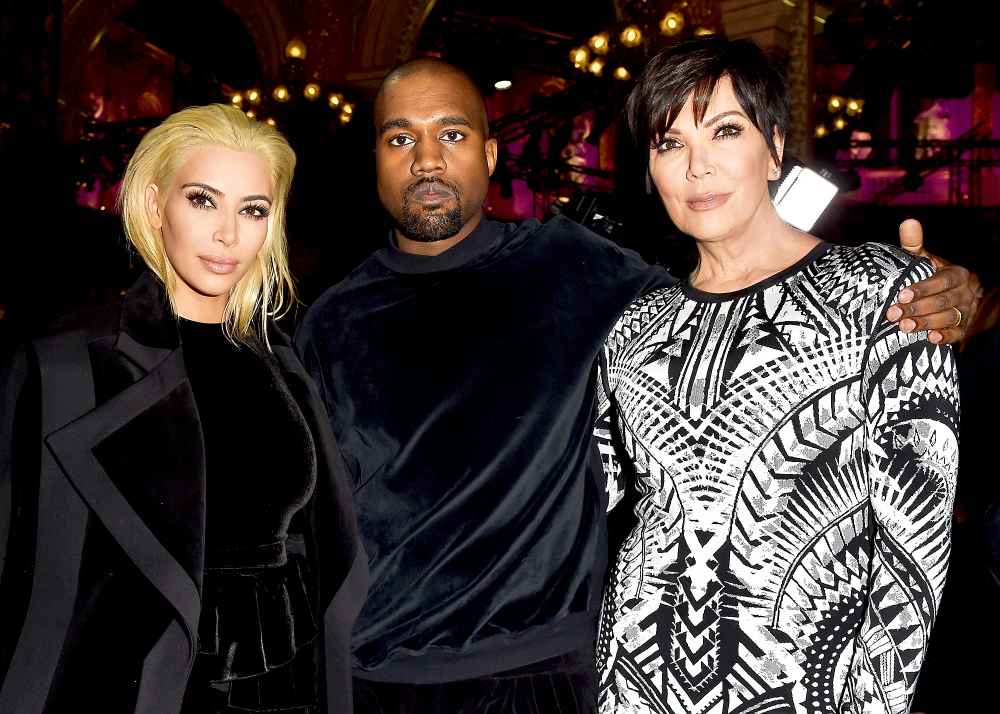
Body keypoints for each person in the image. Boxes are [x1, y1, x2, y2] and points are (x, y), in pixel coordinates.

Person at [294, 58, 975, 713]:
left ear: (492, 154)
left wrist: (948, 293)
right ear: (375, 158)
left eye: (452, 133)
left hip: (550, 669)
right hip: (404, 671)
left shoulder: (575, 266)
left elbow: (737, 292)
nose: (427, 159)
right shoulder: (328, 321)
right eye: (399, 137)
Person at [594, 37, 959, 713]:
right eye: (669, 144)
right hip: (634, 690)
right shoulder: (634, 325)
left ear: (775, 147)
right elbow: (596, 502)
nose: (697, 166)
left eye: (725, 131)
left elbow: (913, 559)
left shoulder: (883, 292)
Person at [0, 104, 366, 714]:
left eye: (253, 210)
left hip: (284, 686)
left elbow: (321, 553)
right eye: (203, 200)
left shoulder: (286, 367)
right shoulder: (66, 370)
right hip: (140, 690)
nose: (229, 234)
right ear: (152, 205)